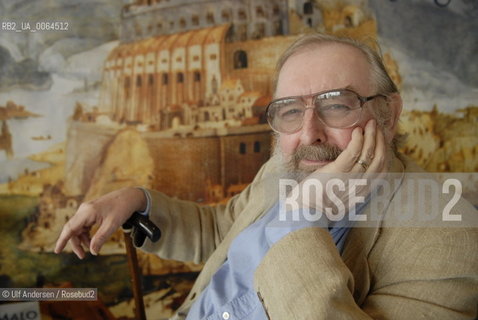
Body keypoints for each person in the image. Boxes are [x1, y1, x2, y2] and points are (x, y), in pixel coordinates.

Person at [55, 33, 478, 319]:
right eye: (291, 111)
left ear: (389, 113)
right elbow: (223, 229)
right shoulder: (285, 167)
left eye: (337, 105)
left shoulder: (448, 237)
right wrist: (137, 200)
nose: (309, 133)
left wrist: (302, 215)